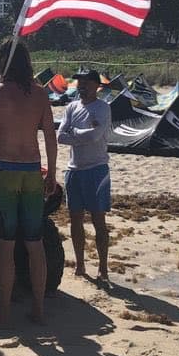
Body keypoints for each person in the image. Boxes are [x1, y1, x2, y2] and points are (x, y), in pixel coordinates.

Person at [0, 39, 57, 327]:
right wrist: (53, 173)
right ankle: (38, 309)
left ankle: (5, 311)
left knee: (6, 247)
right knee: (35, 244)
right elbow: (49, 136)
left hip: (6, 171)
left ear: (2, 64)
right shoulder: (40, 95)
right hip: (33, 170)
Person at [57, 69, 113, 281]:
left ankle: (103, 268)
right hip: (74, 169)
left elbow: (96, 135)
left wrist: (76, 133)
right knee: (75, 219)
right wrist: (83, 133)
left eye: (87, 82)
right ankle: (80, 265)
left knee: (99, 220)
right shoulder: (71, 107)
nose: (82, 86)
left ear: (96, 85)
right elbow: (61, 136)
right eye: (80, 82)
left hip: (96, 169)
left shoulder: (103, 107)